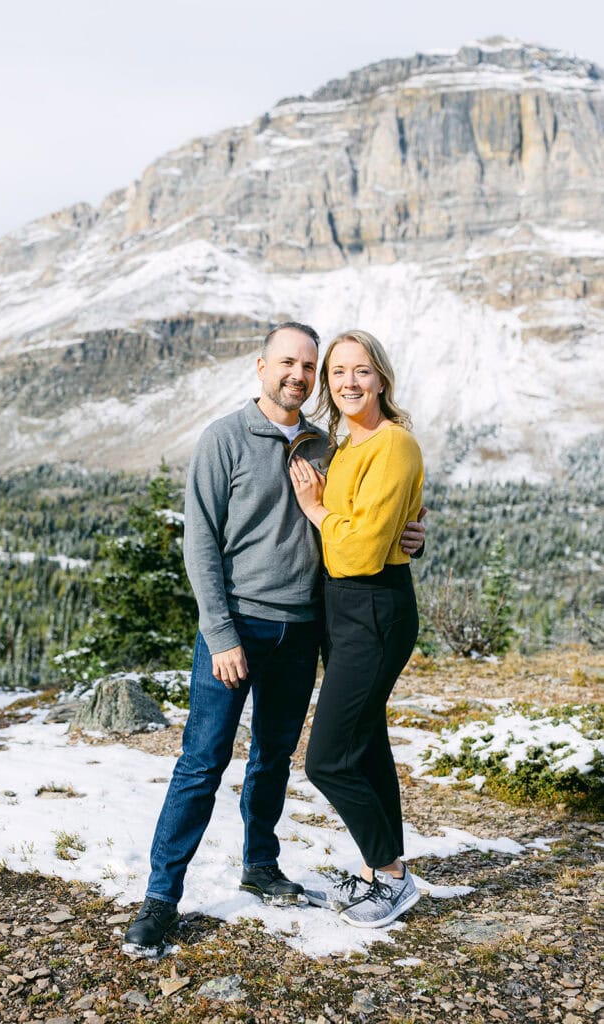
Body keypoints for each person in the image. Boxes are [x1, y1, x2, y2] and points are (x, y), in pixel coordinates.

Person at [123, 322, 425, 954]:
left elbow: (365, 517)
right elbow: (200, 545)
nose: (299, 374)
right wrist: (221, 632)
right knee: (202, 761)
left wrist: (409, 537)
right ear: (261, 367)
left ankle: (260, 865)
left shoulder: (325, 444)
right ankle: (160, 897)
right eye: (287, 362)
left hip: (305, 627)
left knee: (272, 757)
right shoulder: (224, 439)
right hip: (238, 629)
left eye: (308, 366)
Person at [289, 328, 424, 929]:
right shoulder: (349, 445)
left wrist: (317, 511)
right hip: (349, 610)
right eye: (337, 372)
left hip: (373, 607)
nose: (348, 382)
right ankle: (380, 873)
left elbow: (362, 552)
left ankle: (391, 877)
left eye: (361, 371)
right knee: (366, 745)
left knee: (328, 759)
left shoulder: (390, 444)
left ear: (382, 379)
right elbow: (382, 528)